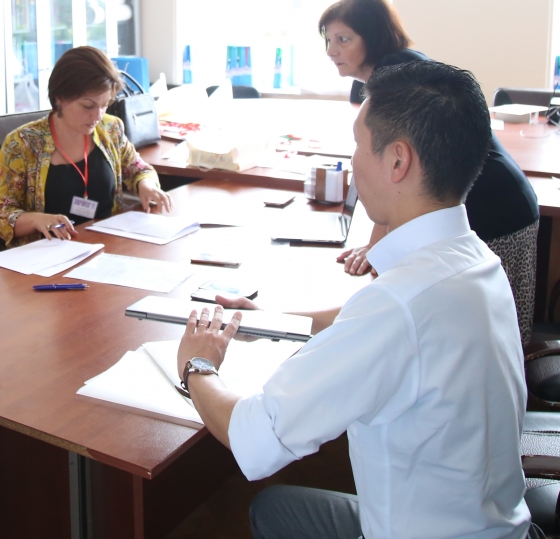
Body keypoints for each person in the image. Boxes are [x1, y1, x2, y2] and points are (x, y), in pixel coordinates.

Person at [177, 60, 534, 539]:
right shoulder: (477, 262)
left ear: (398, 161)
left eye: (358, 145)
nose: (352, 162)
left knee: (269, 506)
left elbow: (254, 439)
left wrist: (197, 366)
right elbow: (378, 328)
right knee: (277, 509)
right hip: (493, 524)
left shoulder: (397, 305)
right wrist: (273, 319)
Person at [320, 0, 540, 343]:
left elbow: (393, 173)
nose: (332, 50)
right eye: (329, 40)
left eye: (344, 39)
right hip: (493, 196)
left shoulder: (395, 75)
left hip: (495, 204)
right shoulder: (390, 71)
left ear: (373, 37)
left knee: (488, 332)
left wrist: (376, 249)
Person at [0, 46, 173, 244]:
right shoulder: (22, 144)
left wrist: (146, 185)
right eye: (88, 106)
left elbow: (138, 169)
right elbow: (1, 214)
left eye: (105, 105)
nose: (98, 116)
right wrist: (37, 220)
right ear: (60, 98)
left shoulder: (110, 129)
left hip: (108, 245)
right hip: (49, 253)